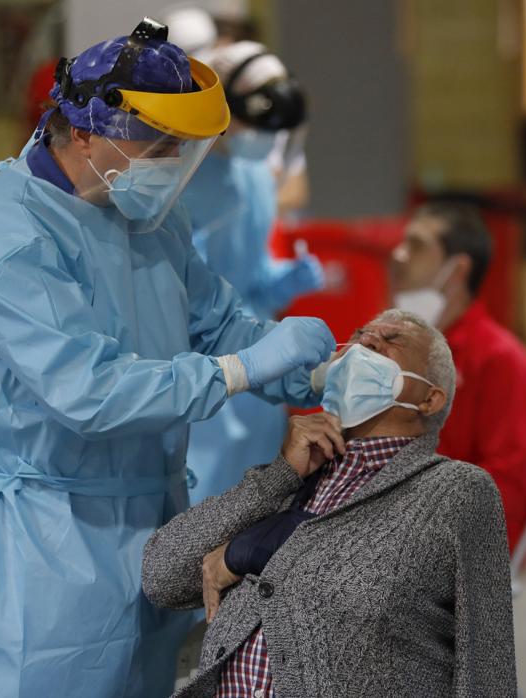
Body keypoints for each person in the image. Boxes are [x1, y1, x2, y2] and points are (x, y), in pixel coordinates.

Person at [0, 20, 336, 698]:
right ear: (83, 133)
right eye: (156, 145)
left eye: (180, 149)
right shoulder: (11, 242)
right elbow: (89, 392)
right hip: (47, 547)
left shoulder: (148, 221)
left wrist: (311, 371)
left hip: (156, 530)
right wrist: (235, 373)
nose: (170, 163)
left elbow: (215, 321)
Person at [142, 310, 518, 697]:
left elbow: (488, 668)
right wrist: (278, 477)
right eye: (359, 333)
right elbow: (161, 577)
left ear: (429, 399)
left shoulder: (455, 491)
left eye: (392, 341)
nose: (364, 343)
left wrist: (249, 551)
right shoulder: (292, 477)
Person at [179, 41, 324, 502]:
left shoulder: (257, 176)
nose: (264, 138)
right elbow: (180, 290)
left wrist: (285, 278)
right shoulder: (181, 173)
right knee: (198, 501)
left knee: (256, 499)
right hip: (199, 359)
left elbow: (250, 275)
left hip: (257, 352)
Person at [387, 202, 526, 552]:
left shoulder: (499, 359)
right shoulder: (393, 348)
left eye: (417, 246)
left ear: (457, 270)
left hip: (456, 547)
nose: (399, 255)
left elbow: (506, 490)